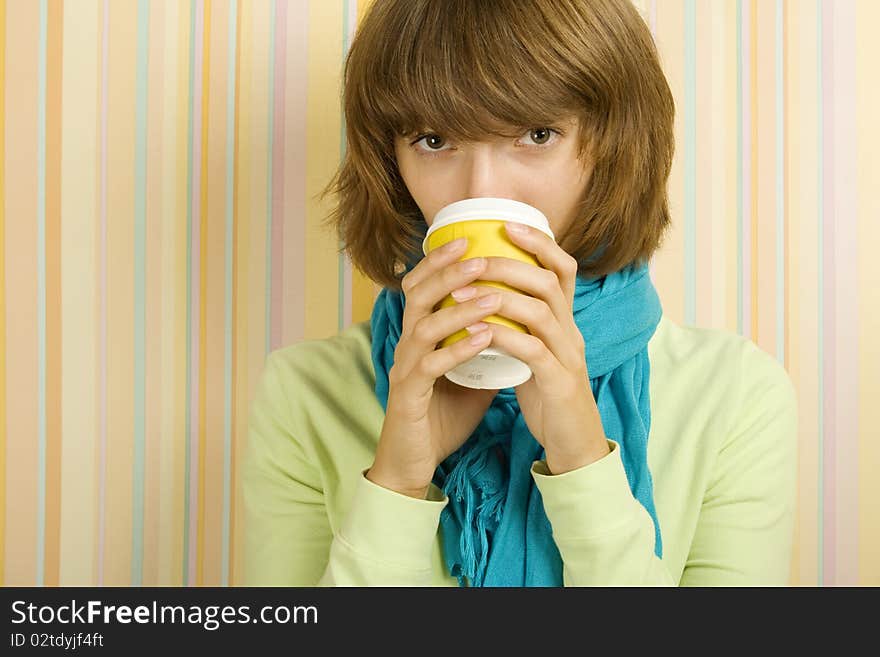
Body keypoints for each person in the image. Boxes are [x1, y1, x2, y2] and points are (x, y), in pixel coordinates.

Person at [241, 0, 798, 587]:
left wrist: (582, 459)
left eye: (536, 134)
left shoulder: (733, 395)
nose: (483, 187)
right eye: (434, 140)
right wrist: (399, 482)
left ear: (612, 147)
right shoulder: (306, 394)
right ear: (390, 160)